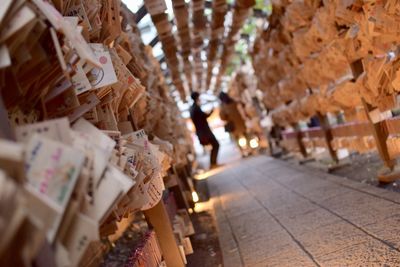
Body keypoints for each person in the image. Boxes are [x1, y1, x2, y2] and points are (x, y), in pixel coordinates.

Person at [190, 92, 220, 169]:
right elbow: (204, 116)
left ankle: (213, 163)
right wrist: (212, 111)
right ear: (197, 97)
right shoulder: (196, 108)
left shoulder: (193, 108)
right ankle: (213, 163)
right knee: (216, 144)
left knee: (214, 145)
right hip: (204, 132)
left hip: (202, 132)